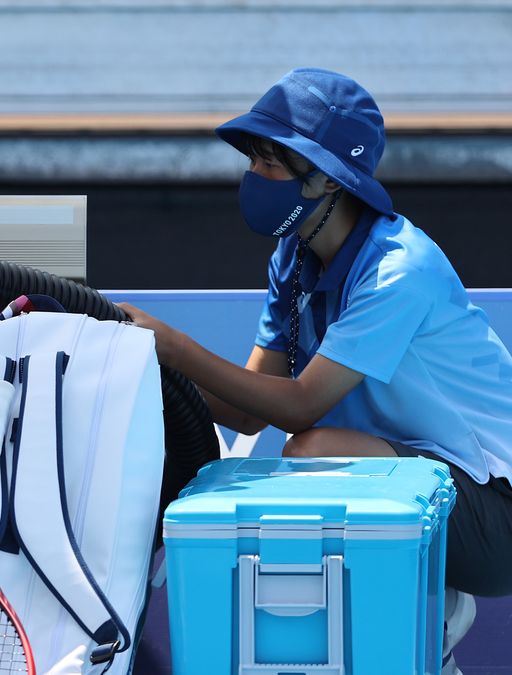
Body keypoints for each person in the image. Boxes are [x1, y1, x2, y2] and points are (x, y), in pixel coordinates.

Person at [121, 68, 512, 674]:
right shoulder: (294, 257)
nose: (254, 179)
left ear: (326, 176)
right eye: (253, 162)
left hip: (498, 515)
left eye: (271, 164)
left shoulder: (399, 271)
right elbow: (250, 405)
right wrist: (135, 356)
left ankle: (434, 628)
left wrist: (171, 346)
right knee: (302, 458)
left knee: (311, 450)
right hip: (409, 483)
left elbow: (299, 404)